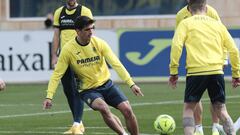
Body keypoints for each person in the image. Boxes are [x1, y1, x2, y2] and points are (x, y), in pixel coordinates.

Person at [43, 16, 144, 135]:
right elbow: (57, 74)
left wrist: (131, 84)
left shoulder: (99, 43)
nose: (91, 32)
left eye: (92, 28)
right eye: (87, 30)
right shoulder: (68, 50)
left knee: (127, 110)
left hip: (107, 84)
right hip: (88, 90)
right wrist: (49, 96)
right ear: (78, 31)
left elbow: (116, 64)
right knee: (103, 108)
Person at [169, 0, 240, 134]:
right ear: (206, 9)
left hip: (196, 71)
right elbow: (234, 50)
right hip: (216, 71)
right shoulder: (218, 25)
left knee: (189, 109)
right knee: (222, 110)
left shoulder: (185, 23)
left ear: (188, 10)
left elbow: (176, 46)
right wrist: (236, 74)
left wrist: (174, 71)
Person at [51, 0, 93, 134]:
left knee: (77, 90)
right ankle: (78, 123)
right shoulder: (59, 13)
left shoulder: (84, 11)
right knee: (68, 91)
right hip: (64, 57)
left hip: (79, 56)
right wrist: (54, 55)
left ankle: (77, 123)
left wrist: (89, 53)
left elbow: (90, 34)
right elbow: (56, 35)